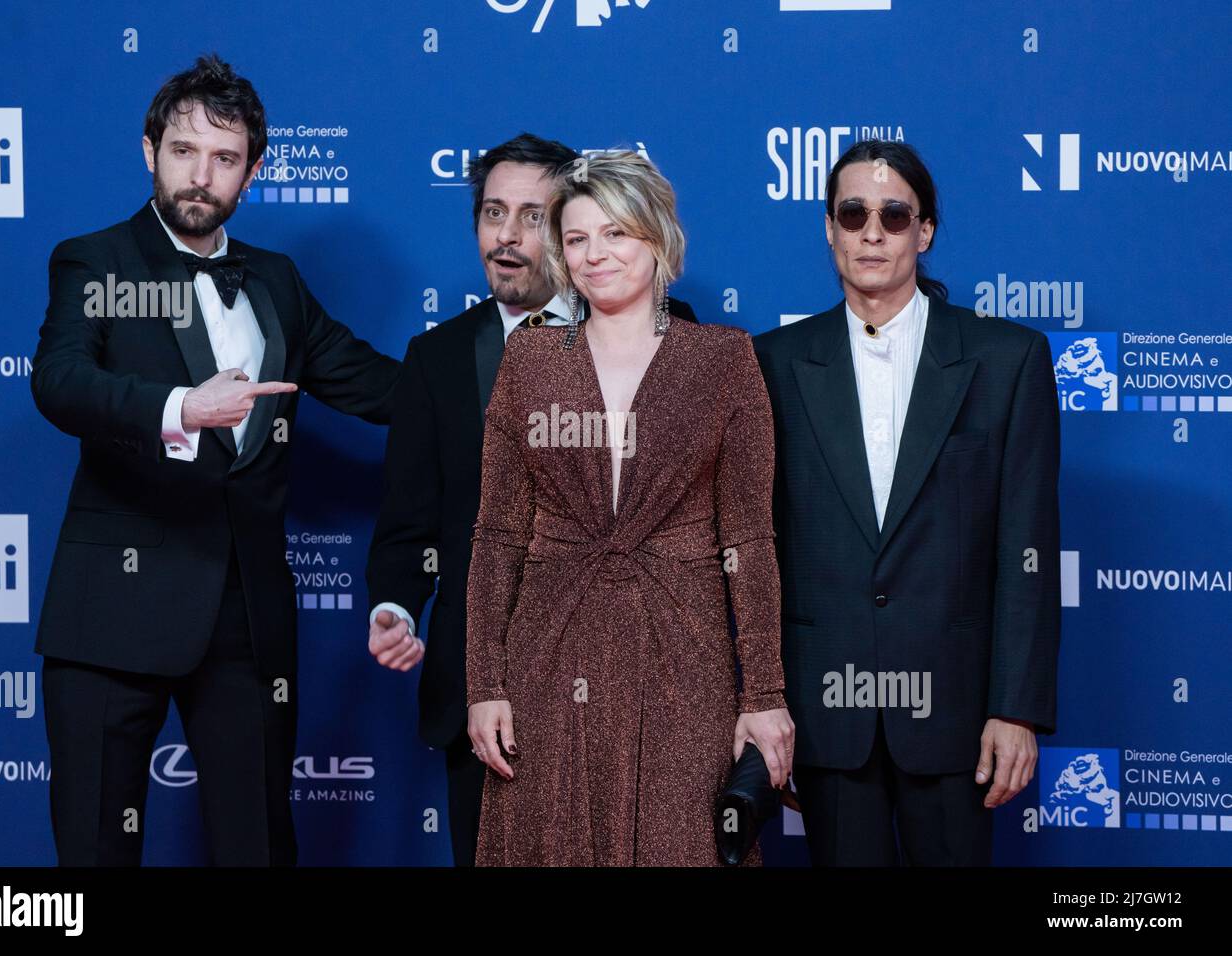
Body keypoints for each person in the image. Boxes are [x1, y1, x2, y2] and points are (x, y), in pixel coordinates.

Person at [31, 54, 399, 866]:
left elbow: (378, 387)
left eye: (225, 158)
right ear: (149, 150)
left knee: (258, 848)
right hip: (112, 615)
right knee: (93, 852)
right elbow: (60, 382)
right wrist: (181, 408)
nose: (202, 176)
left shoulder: (277, 281)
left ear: (253, 171)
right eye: (184, 151)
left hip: (247, 621)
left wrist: (516, 387)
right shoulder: (95, 262)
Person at [364, 134, 697, 866]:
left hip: (636, 683)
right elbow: (408, 522)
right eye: (492, 214)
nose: (507, 238)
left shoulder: (677, 341)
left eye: (531, 217)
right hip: (486, 699)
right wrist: (393, 606)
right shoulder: (438, 359)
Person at [464, 151, 793, 866]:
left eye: (615, 234)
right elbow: (496, 536)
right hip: (548, 656)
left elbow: (749, 537)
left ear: (657, 239)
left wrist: (764, 693)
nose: (594, 255)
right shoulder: (530, 360)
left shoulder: (723, 360)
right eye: (577, 239)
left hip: (686, 656)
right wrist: (484, 684)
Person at [753, 140, 1061, 866]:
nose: (872, 231)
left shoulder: (1007, 361)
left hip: (956, 716)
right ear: (829, 227)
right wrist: (764, 703)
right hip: (825, 713)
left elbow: (1028, 552)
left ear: (924, 231)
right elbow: (754, 545)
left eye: (894, 215)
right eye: (853, 212)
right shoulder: (771, 365)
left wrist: (1014, 708)